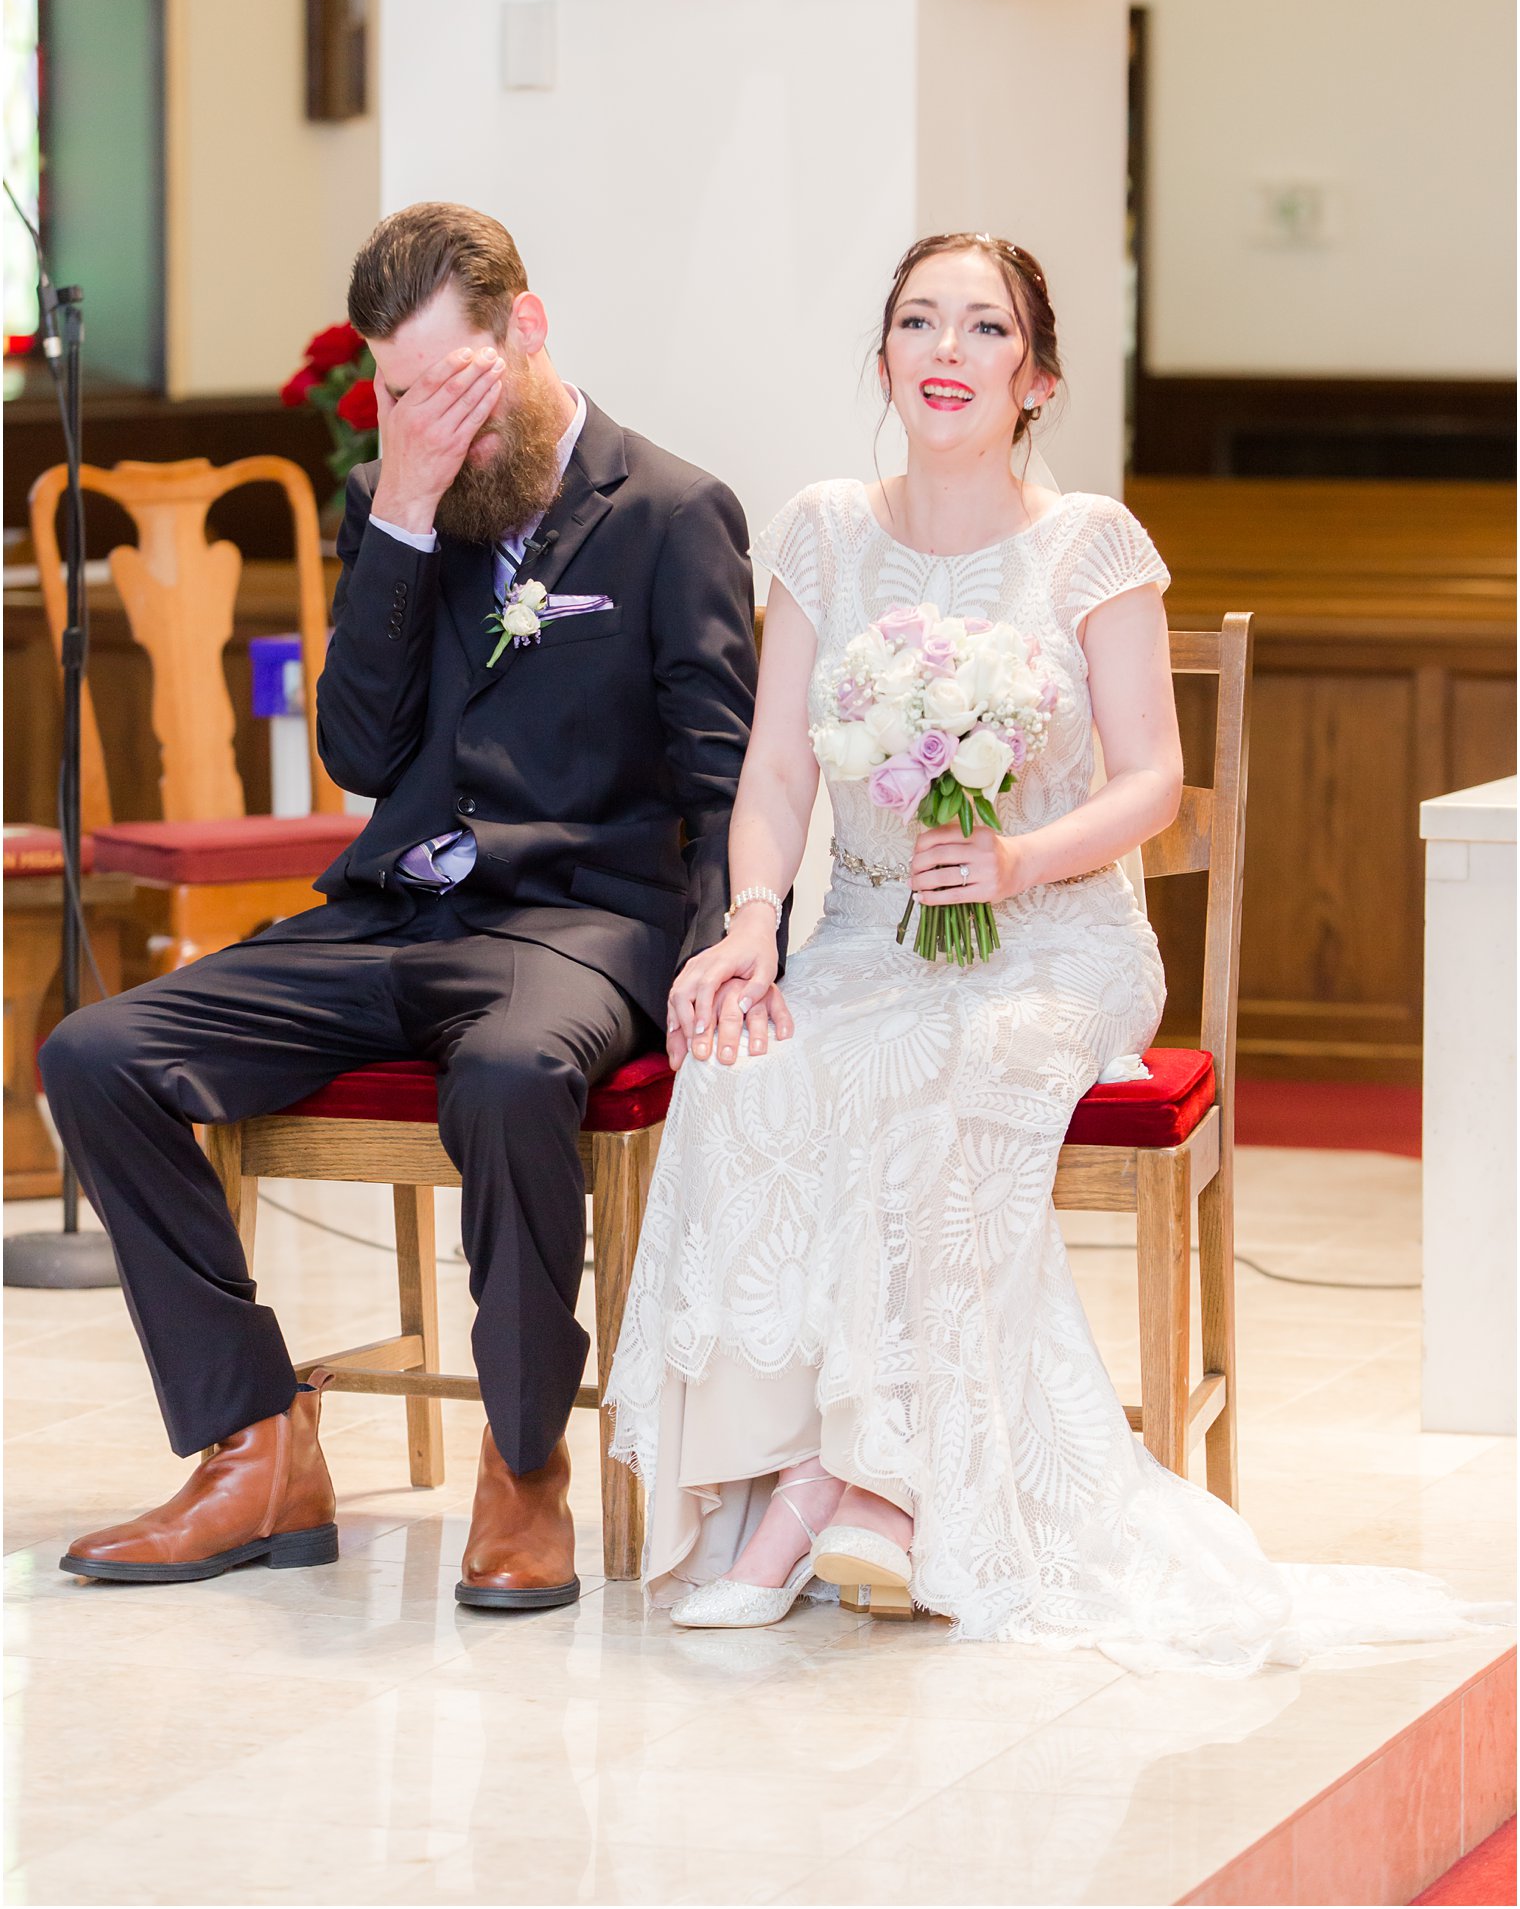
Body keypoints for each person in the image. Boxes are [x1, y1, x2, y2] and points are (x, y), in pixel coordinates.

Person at [605, 231, 1483, 1669]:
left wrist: (1014, 858)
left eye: (983, 328)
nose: (946, 351)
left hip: (1057, 942)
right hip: (869, 933)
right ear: (884, 357)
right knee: (746, 1067)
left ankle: (854, 1483)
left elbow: (1150, 776)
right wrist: (751, 925)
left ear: (1038, 374)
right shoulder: (824, 529)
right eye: (917, 323)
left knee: (952, 1065)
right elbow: (773, 779)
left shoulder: (1090, 545)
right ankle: (792, 1466)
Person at [42, 202, 760, 1612]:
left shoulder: (672, 512)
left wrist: (737, 936)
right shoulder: (420, 508)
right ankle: (256, 1442)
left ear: (528, 330)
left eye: (453, 383)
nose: (427, 416)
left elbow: (724, 775)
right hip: (387, 916)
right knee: (95, 1054)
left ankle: (523, 1455)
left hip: (573, 926)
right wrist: (399, 513)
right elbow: (360, 756)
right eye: (398, 390)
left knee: (506, 1076)